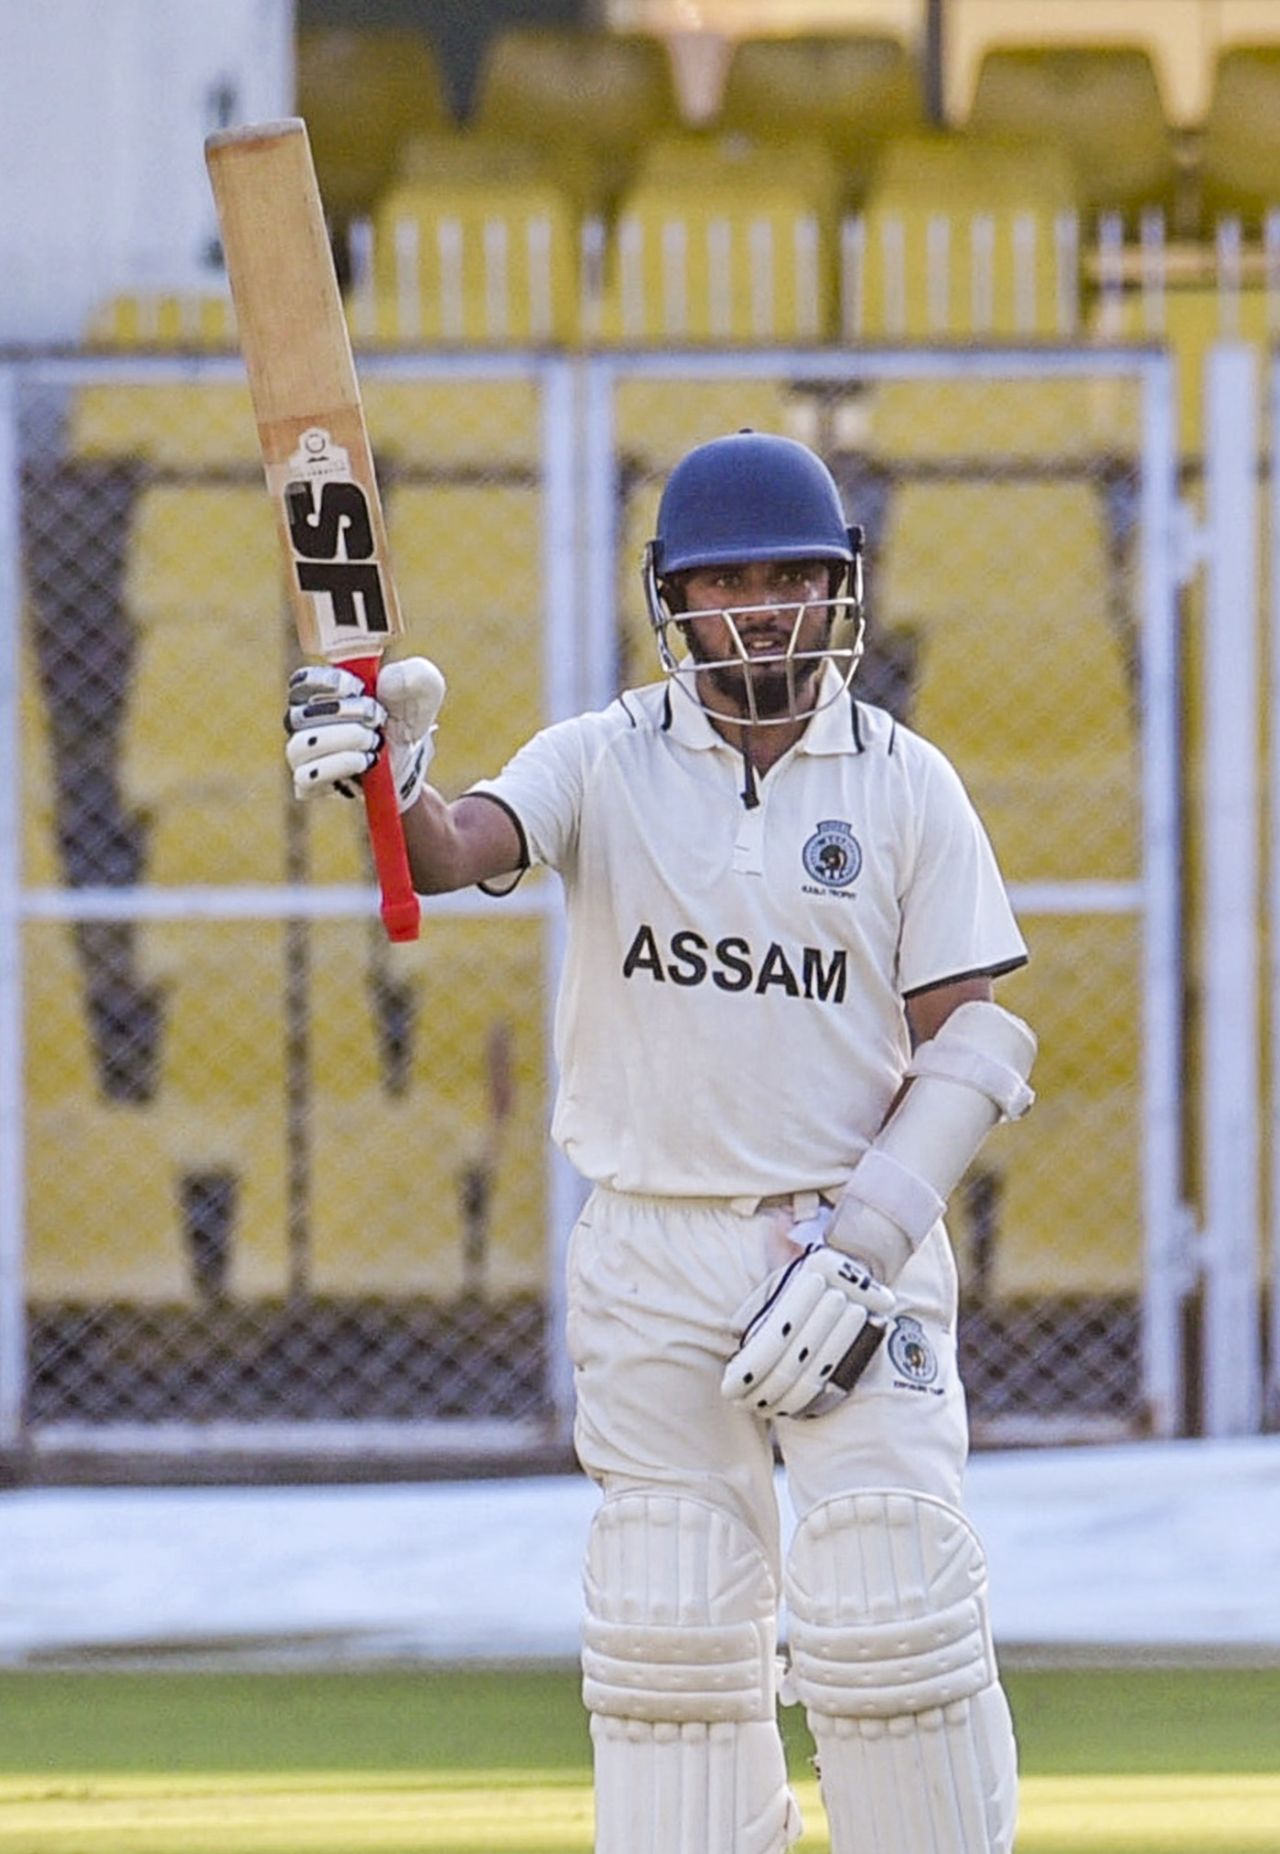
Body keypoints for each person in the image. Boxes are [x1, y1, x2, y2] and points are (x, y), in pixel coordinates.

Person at [285, 430, 1036, 1854]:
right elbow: (454, 848)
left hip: (852, 1239)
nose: (760, 606)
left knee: (894, 1605)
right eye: (726, 579)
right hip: (649, 1243)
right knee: (670, 1625)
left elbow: (973, 1040)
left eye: (791, 578)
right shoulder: (607, 757)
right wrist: (387, 770)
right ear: (673, 599)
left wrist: (863, 1246)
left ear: (839, 592)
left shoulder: (905, 783)